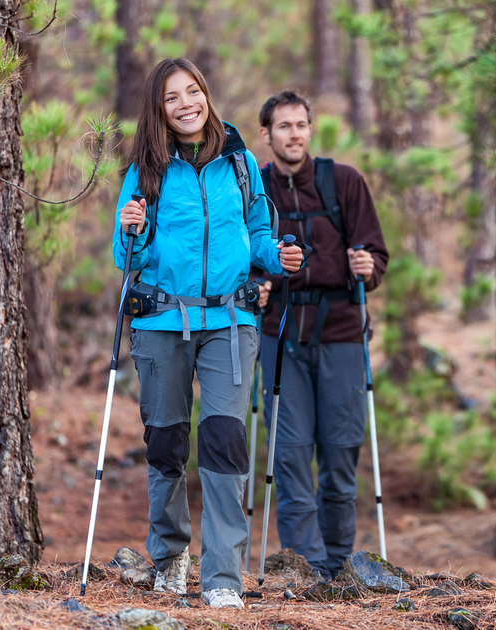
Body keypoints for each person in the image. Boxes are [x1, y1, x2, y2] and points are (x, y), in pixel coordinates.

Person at [113, 58, 303, 608]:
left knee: (224, 443)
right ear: (160, 109)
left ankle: (223, 577)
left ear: (206, 94)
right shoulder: (146, 169)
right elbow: (126, 258)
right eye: (172, 97)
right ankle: (170, 558)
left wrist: (279, 256)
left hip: (229, 320)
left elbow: (258, 235)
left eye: (192, 91)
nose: (185, 104)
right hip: (160, 323)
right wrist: (131, 231)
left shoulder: (240, 162)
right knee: (167, 442)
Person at [252, 90, 389, 580]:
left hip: (342, 336)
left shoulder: (344, 182)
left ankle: (337, 565)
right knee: (288, 455)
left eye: (301, 125)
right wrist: (254, 287)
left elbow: (376, 255)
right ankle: (307, 569)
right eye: (284, 126)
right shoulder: (253, 190)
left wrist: (366, 265)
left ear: (311, 130)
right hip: (279, 334)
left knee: (340, 450)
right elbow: (239, 260)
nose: (294, 134)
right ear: (265, 134)